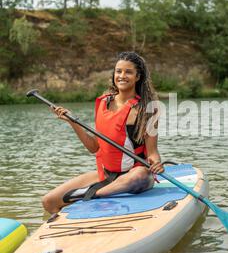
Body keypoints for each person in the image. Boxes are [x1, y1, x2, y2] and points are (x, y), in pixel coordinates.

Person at [42, 51, 164, 214]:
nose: (122, 75)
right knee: (48, 201)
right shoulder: (103, 102)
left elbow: (153, 153)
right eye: (118, 71)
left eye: (128, 72)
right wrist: (73, 122)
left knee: (140, 175)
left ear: (138, 76)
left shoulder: (148, 108)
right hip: (106, 176)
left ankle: (91, 194)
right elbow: (94, 147)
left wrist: (156, 163)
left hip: (134, 176)